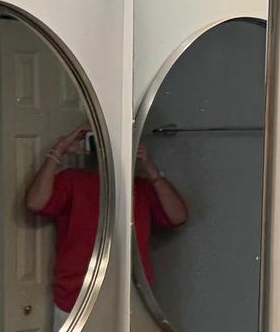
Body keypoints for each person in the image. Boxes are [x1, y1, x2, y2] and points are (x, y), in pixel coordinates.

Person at [26, 126, 187, 317]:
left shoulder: (141, 187)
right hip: (76, 295)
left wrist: (149, 167)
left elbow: (178, 216)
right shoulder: (72, 180)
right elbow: (36, 203)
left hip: (131, 295)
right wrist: (58, 150)